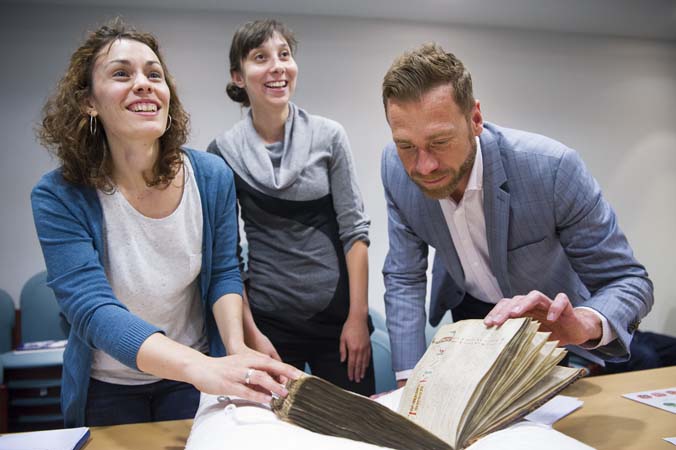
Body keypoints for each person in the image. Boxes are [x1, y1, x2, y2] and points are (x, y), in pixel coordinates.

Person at [31, 19, 301, 427]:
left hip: (190, 381)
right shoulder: (58, 196)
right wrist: (202, 367)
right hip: (108, 385)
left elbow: (224, 272)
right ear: (88, 101)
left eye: (154, 74)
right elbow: (91, 310)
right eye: (122, 73)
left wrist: (234, 348)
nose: (144, 84)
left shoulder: (211, 177)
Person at [379, 43, 654, 386]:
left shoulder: (552, 169)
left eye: (440, 141)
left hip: (557, 329)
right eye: (406, 145)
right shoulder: (394, 168)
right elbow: (404, 276)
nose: (424, 165)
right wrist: (409, 383)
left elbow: (629, 281)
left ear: (475, 119)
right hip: (472, 315)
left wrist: (582, 323)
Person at [208, 19, 375, 395]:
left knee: (355, 432)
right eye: (260, 57)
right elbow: (227, 258)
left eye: (284, 55)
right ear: (238, 76)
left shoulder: (329, 136)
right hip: (270, 327)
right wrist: (252, 334)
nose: (277, 66)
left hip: (339, 320)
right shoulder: (222, 153)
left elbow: (355, 231)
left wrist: (357, 319)